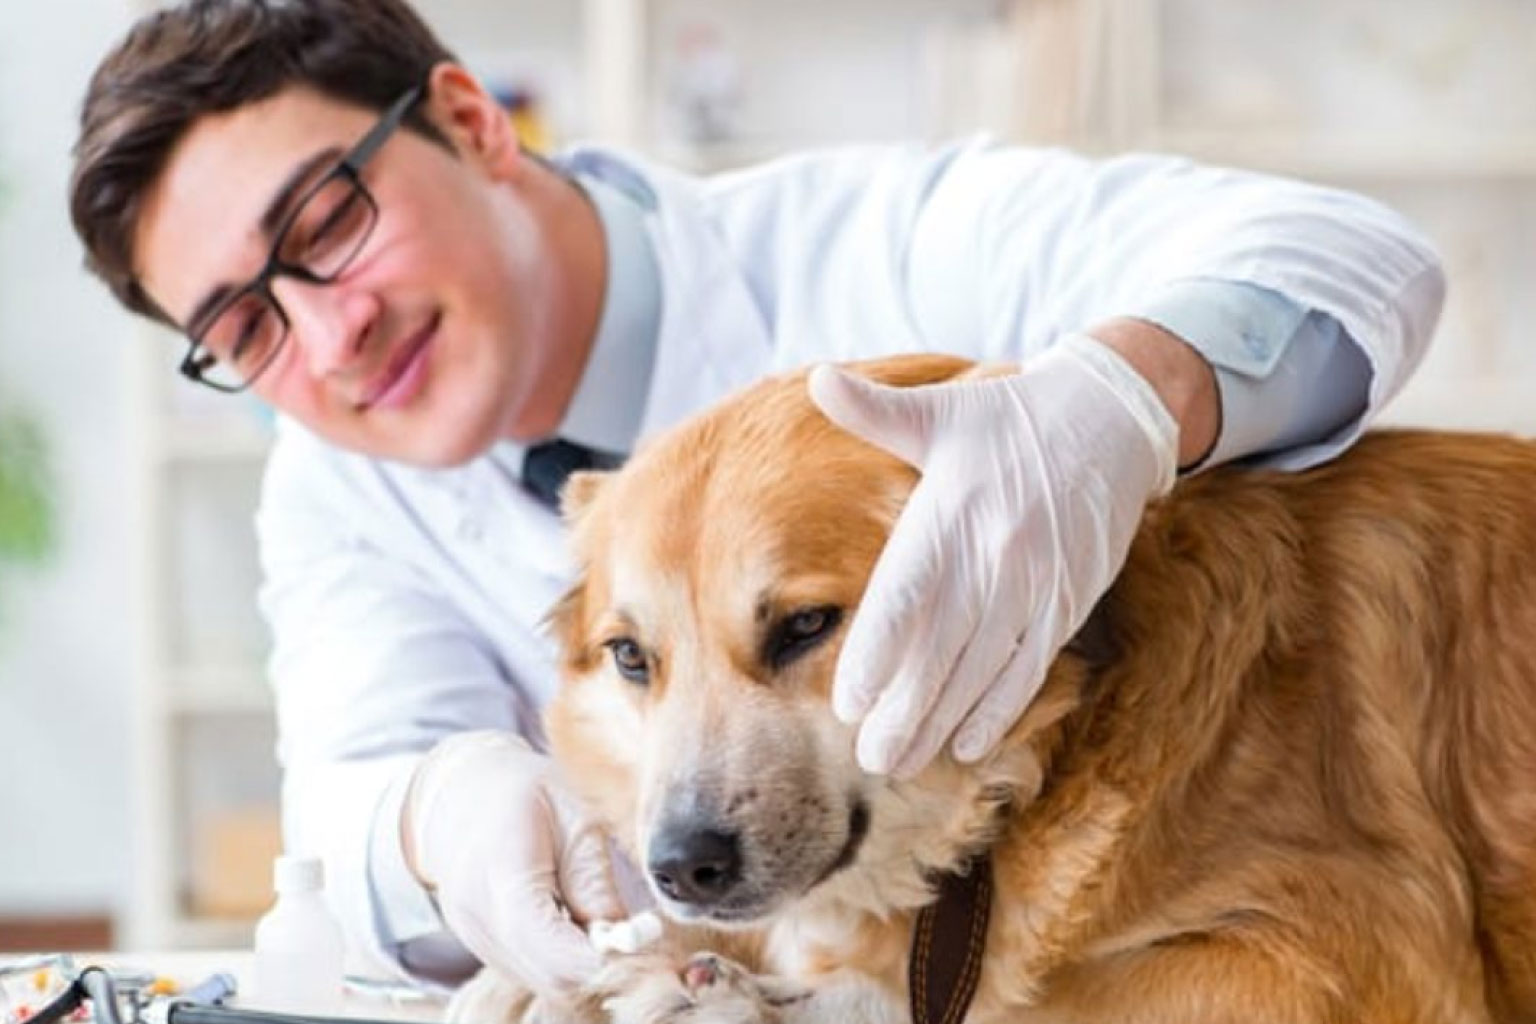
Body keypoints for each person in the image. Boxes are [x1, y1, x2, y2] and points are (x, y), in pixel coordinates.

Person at [70, 0, 1444, 999]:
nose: (327, 338)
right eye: (244, 328)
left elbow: (1346, 257)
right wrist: (442, 812)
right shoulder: (335, 485)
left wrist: (1117, 408)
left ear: (474, 122)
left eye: (324, 227)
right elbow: (346, 811)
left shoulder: (877, 242)